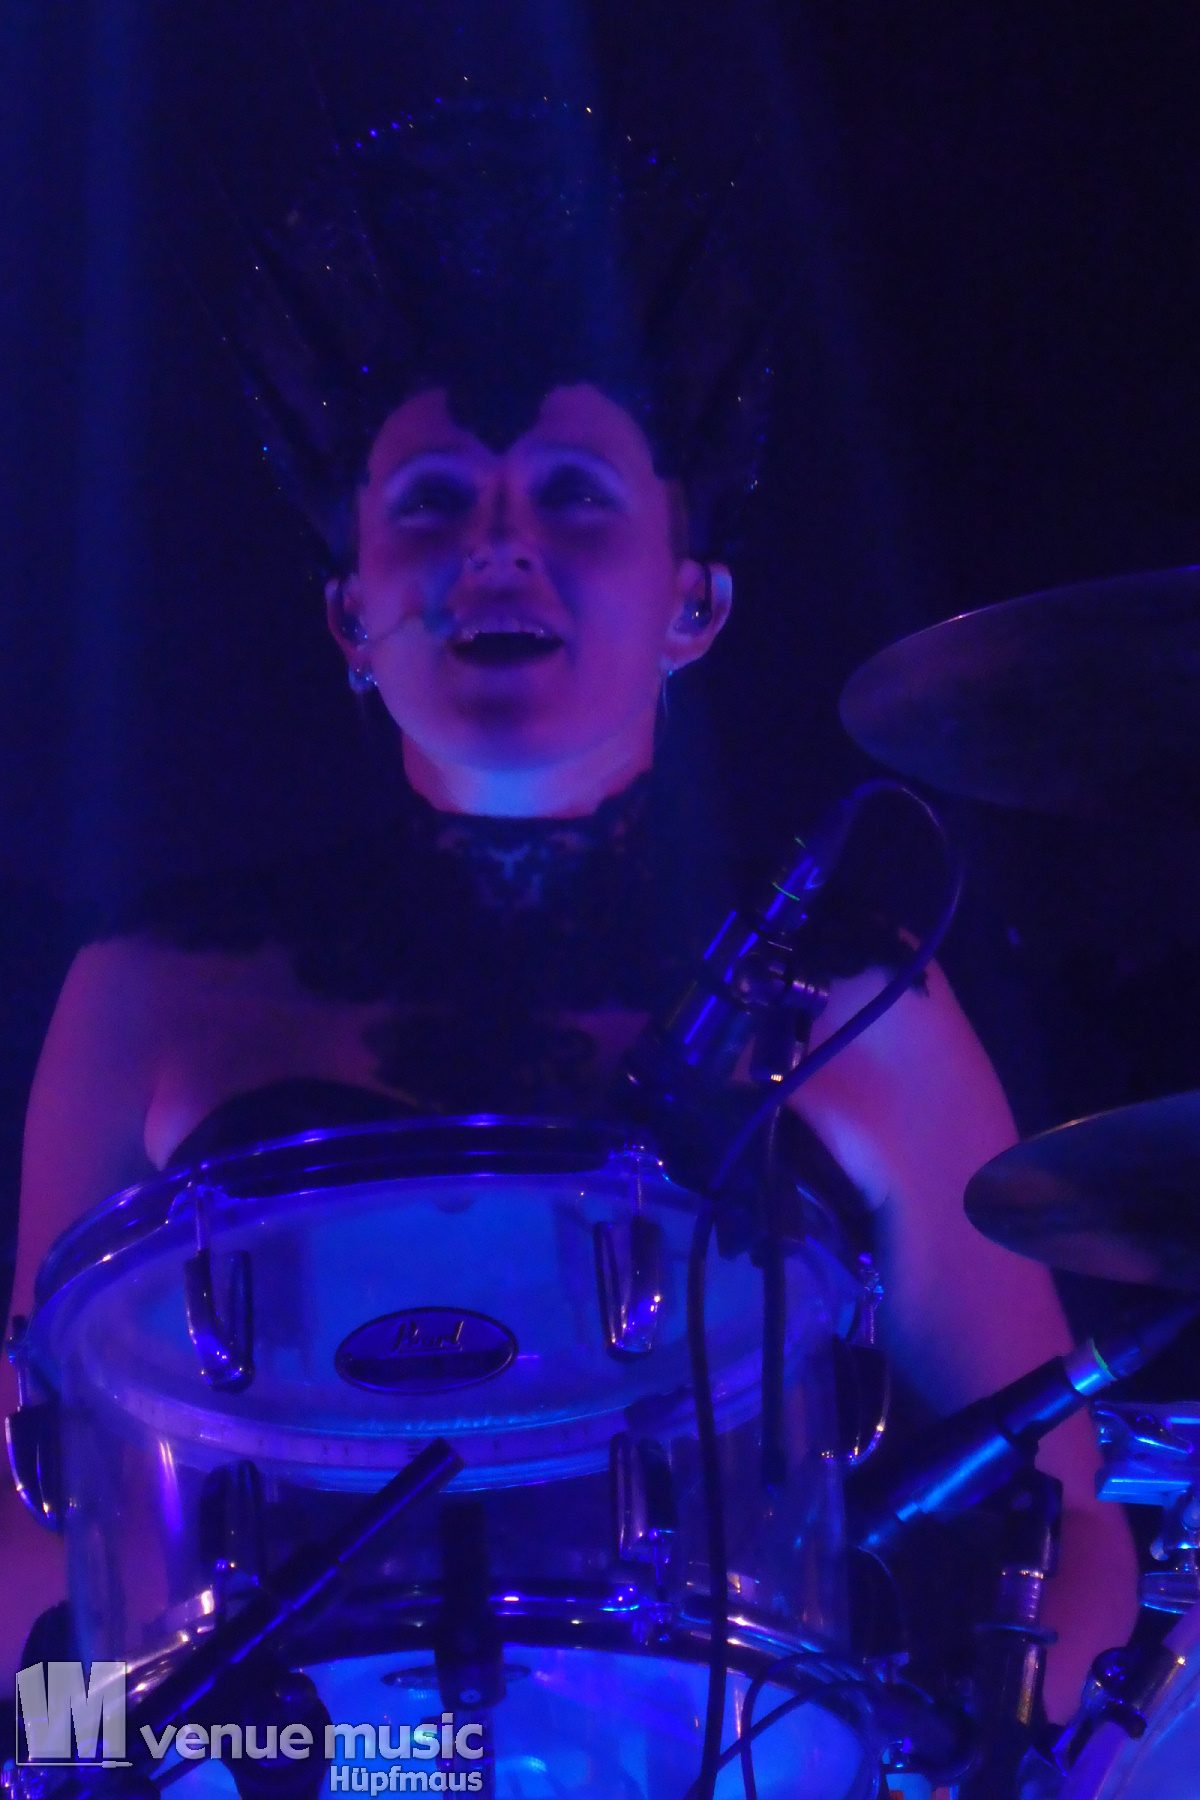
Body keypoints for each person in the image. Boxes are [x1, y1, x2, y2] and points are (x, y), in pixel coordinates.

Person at [1, 98, 1136, 1732]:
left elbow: (1062, 1509)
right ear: (349, 614)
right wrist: (87, 1764)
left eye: (575, 498)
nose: (497, 551)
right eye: (433, 502)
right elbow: (35, 1519)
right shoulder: (149, 992)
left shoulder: (855, 1001)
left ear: (696, 601)